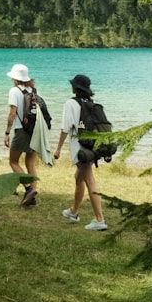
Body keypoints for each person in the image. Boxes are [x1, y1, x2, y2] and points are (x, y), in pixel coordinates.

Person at [53, 74, 107, 231]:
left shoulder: (71, 103)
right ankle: (73, 212)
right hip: (91, 147)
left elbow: (65, 128)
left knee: (89, 180)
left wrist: (58, 149)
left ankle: (99, 219)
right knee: (79, 177)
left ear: (75, 88)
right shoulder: (89, 103)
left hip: (81, 149)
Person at [4, 63, 40, 207]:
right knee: (30, 163)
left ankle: (29, 189)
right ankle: (32, 199)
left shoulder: (14, 91)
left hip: (22, 130)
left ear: (14, 78)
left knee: (13, 162)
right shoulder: (34, 90)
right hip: (35, 130)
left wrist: (7, 132)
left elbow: (13, 113)